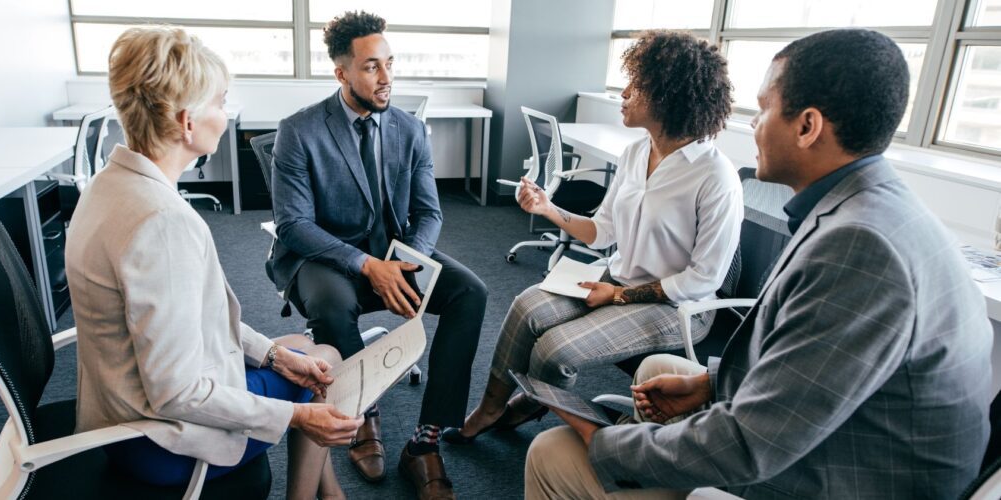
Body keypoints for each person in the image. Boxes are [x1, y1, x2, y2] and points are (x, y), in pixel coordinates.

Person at [524, 28, 993, 500]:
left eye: (764, 108)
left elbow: (753, 443)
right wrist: (710, 384)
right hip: (851, 438)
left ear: (807, 127)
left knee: (553, 452)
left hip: (844, 477)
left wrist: (610, 445)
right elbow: (822, 367)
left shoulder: (858, 248)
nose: (752, 125)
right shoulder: (873, 208)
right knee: (656, 373)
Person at [65, 27, 363, 499]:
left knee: (297, 353)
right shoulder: (162, 224)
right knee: (325, 362)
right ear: (187, 122)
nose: (225, 116)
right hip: (159, 441)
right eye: (221, 103)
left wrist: (272, 355)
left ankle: (328, 494)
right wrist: (296, 416)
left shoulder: (109, 185)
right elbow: (176, 393)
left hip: (115, 407)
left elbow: (188, 321)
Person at [444, 30, 741, 444]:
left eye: (637, 85)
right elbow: (601, 232)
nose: (624, 93)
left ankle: (526, 407)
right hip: (616, 279)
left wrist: (617, 296)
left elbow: (703, 280)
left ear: (668, 97)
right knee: (525, 306)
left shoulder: (715, 175)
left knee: (557, 350)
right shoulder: (637, 153)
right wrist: (548, 208)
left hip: (675, 307)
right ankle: (491, 408)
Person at [269, 10, 488, 499]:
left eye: (390, 63)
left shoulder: (409, 130)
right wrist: (369, 266)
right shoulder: (299, 131)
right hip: (324, 256)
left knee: (470, 292)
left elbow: (430, 212)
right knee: (330, 304)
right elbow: (294, 225)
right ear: (342, 72)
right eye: (371, 67)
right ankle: (360, 414)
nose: (386, 77)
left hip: (394, 252)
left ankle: (425, 441)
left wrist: (410, 264)